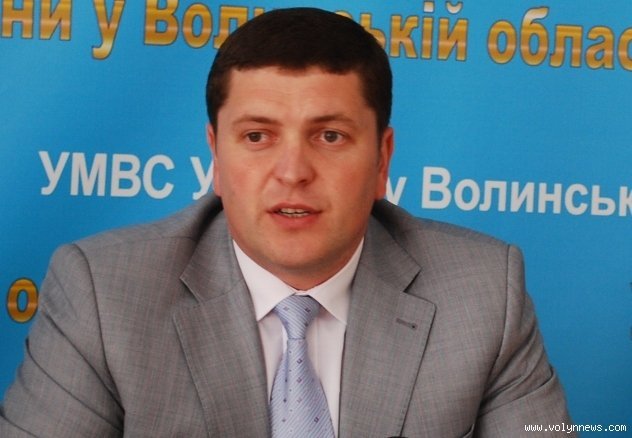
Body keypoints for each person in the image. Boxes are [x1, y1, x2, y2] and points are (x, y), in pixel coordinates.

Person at [1, 7, 573, 437]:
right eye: (257, 136)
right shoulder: (103, 294)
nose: (293, 171)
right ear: (215, 157)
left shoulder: (482, 294)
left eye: (331, 136)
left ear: (382, 160)